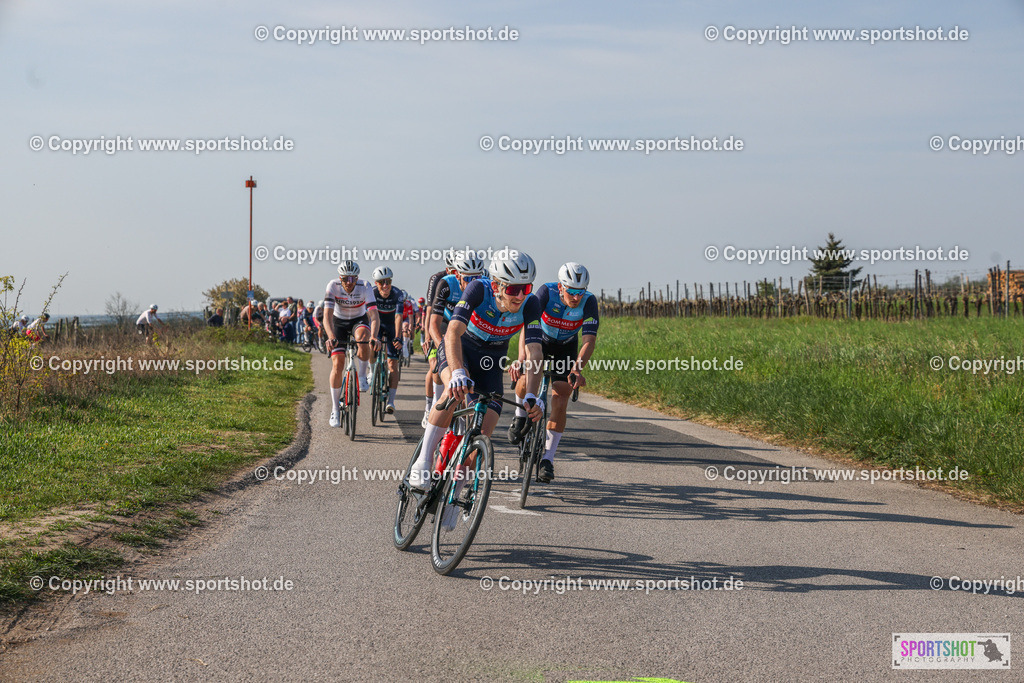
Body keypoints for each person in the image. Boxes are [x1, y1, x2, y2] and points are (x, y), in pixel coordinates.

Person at [409, 252, 544, 492]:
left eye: (526, 287)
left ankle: (455, 494)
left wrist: (532, 396)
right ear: (496, 285)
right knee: (452, 392)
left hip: (492, 361)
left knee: (484, 431)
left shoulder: (531, 303)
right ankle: (423, 462)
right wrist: (459, 371)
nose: (521, 295)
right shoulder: (478, 289)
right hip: (461, 348)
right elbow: (452, 333)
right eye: (513, 290)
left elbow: (534, 352)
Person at [508, 262, 599, 483]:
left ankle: (547, 458)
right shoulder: (545, 293)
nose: (576, 297)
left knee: (561, 394)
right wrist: (521, 358)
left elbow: (589, 340)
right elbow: (528, 326)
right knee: (524, 377)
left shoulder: (589, 302)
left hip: (566, 347)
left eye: (581, 292)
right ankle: (520, 417)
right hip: (540, 340)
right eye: (571, 291)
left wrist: (576, 368)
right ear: (560, 287)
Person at [425, 253, 486, 426]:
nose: (473, 283)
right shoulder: (446, 283)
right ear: (457, 275)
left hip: (468, 329)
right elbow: (433, 324)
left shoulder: (485, 283)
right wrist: (444, 350)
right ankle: (435, 405)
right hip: (446, 325)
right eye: (468, 278)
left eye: (477, 278)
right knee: (440, 371)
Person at [324, 261, 380, 427]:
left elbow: (374, 316)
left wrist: (374, 337)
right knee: (337, 364)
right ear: (340, 278)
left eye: (353, 278)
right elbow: (327, 316)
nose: (349, 282)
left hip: (358, 320)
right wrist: (330, 336)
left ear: (357, 278)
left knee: (364, 337)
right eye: (346, 278)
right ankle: (335, 409)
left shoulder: (365, 286)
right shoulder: (332, 286)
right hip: (338, 322)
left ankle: (362, 376)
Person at [420, 252, 457, 427]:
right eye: (451, 270)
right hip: (442, 321)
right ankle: (431, 406)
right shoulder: (439, 279)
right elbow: (430, 309)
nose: (454, 274)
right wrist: (428, 334)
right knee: (435, 367)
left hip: (459, 325)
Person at [369, 266, 404, 413]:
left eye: (388, 281)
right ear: (376, 283)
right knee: (371, 345)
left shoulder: (397, 294)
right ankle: (372, 371)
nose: (385, 285)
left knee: (392, 364)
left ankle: (391, 400)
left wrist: (398, 336)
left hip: (391, 326)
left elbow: (398, 317)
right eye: (381, 282)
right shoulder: (371, 292)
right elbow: (368, 316)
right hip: (376, 324)